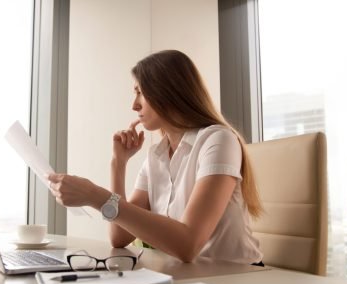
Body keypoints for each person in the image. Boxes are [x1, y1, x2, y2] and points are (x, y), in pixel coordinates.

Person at [47, 49, 263, 264]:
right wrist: (118, 164)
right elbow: (119, 237)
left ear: (168, 92)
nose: (135, 105)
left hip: (235, 277)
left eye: (140, 92)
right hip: (190, 278)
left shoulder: (218, 140)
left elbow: (188, 244)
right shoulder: (156, 156)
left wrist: (94, 195)